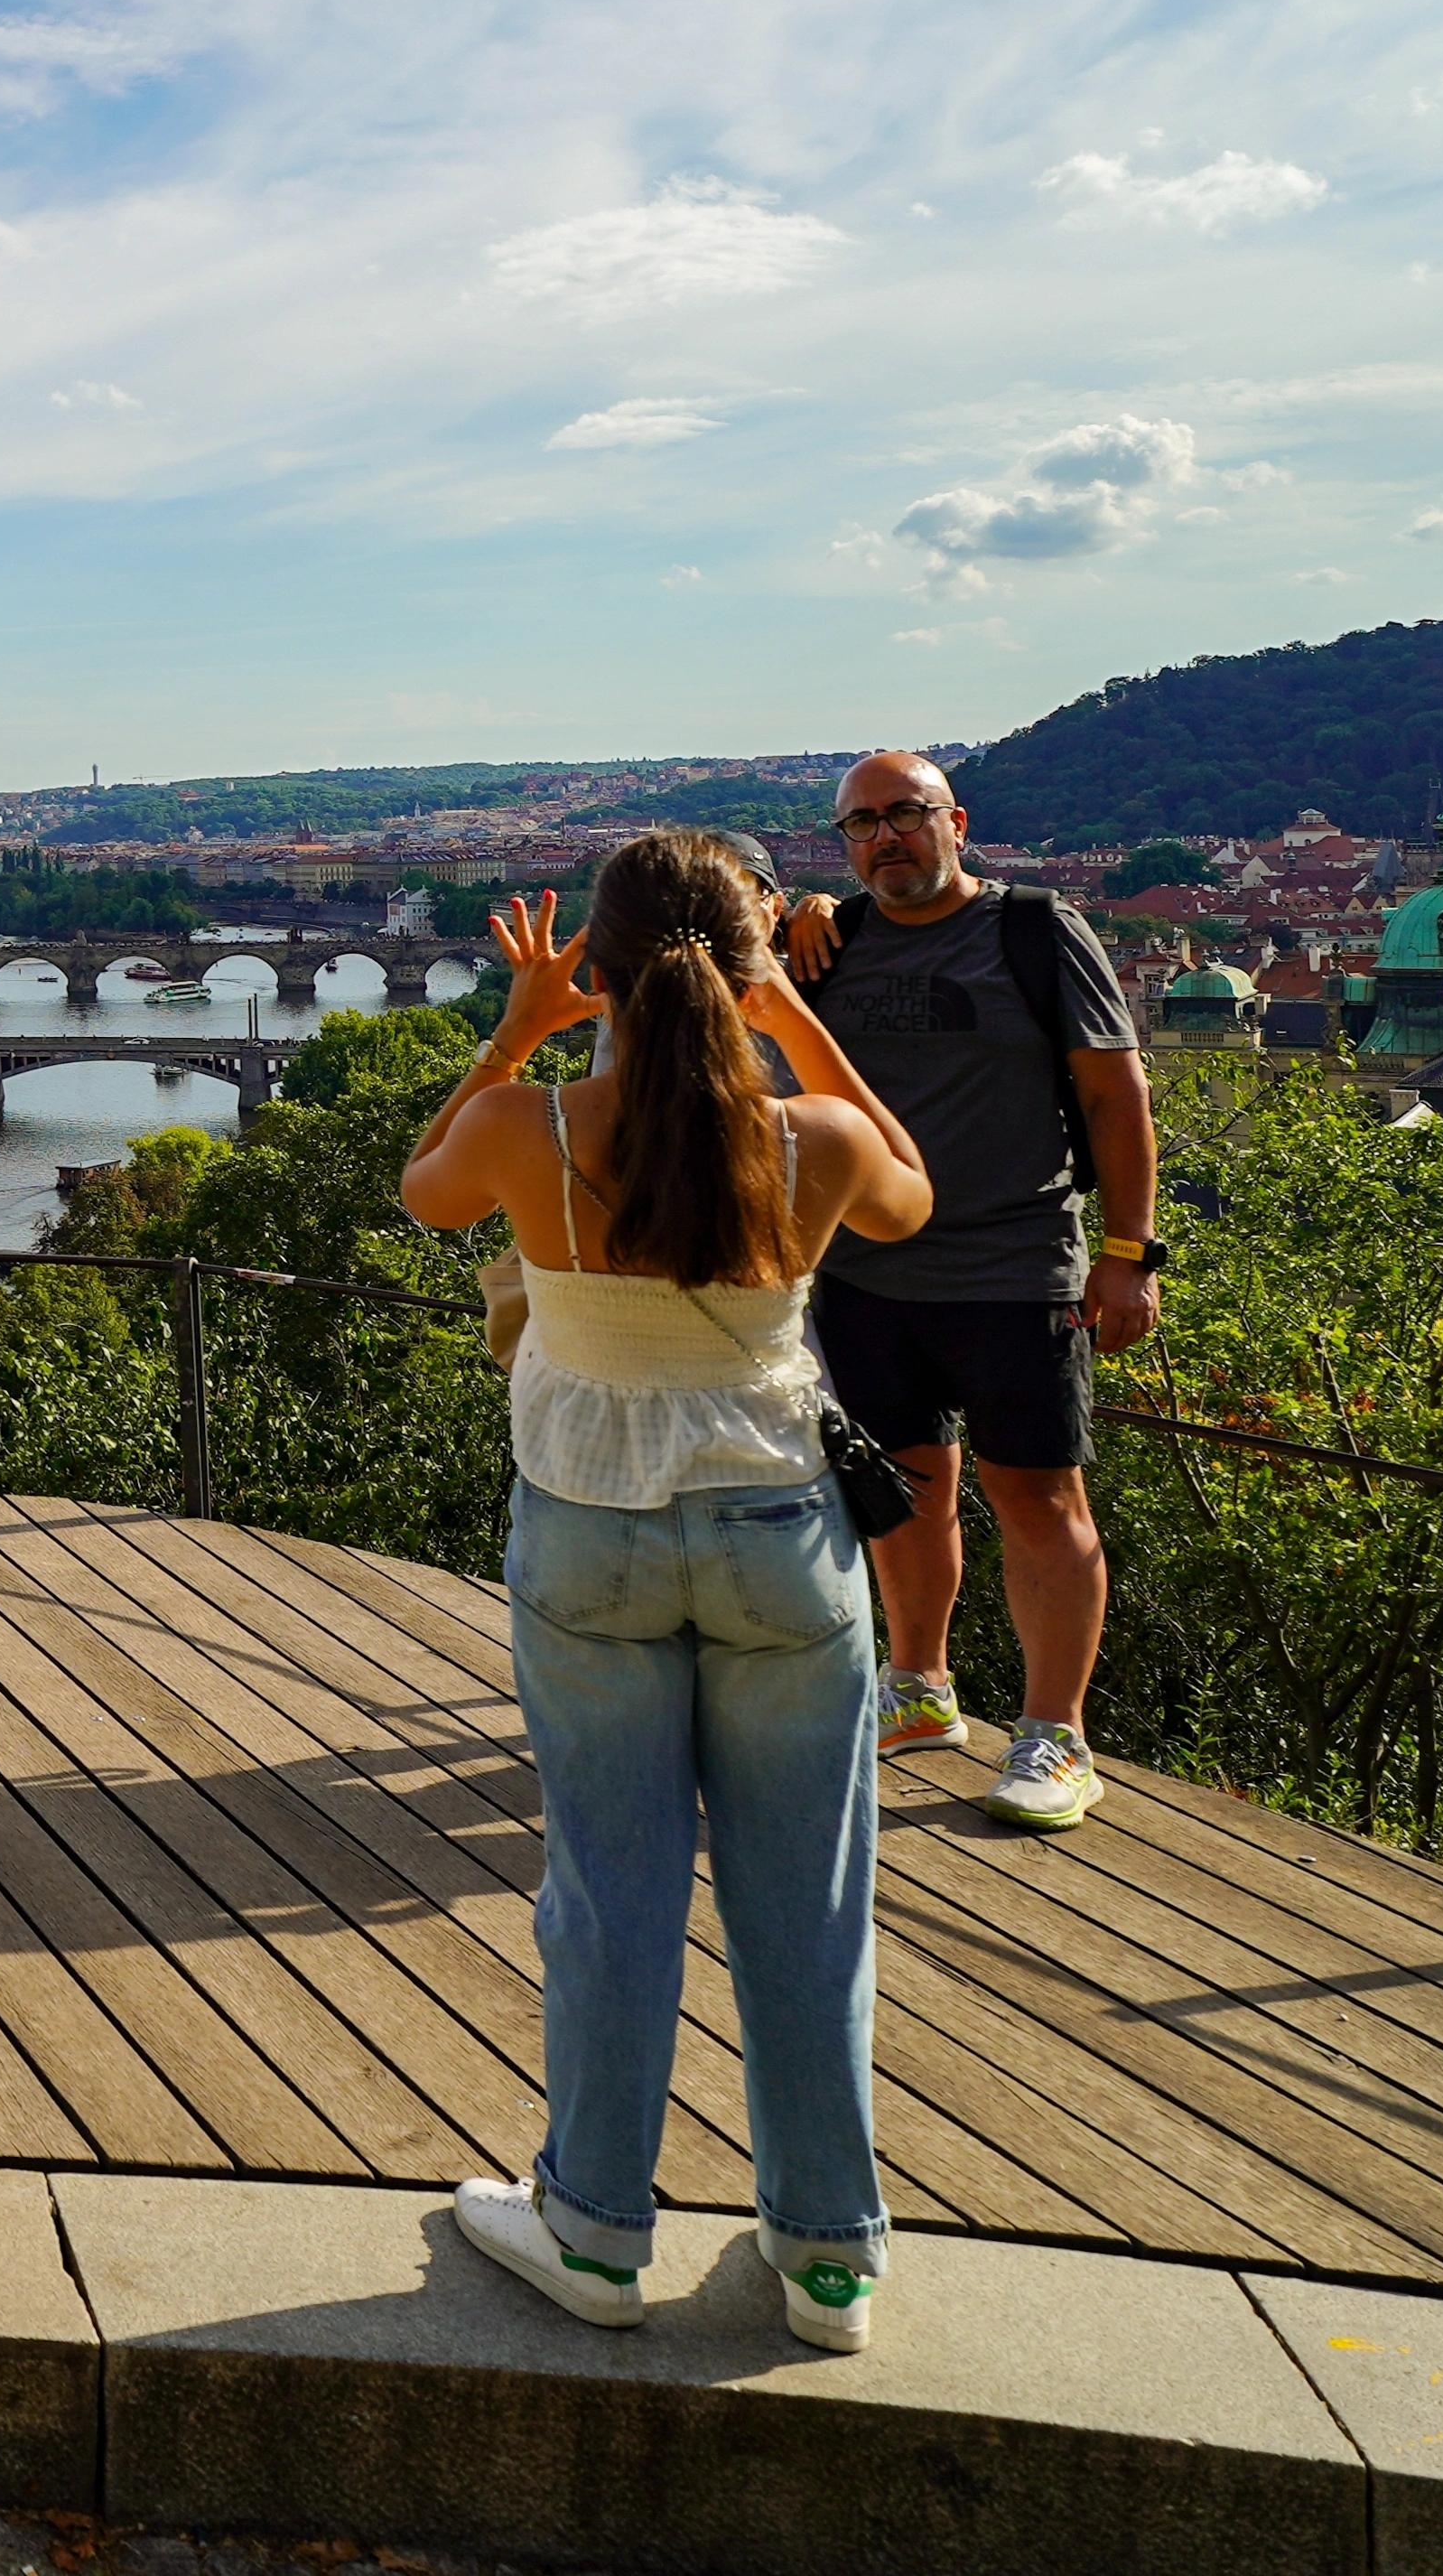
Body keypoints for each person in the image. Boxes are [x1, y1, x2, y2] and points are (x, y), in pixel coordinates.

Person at [400, 834, 934, 2355]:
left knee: (608, 1891)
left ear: (603, 968)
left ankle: (592, 2227)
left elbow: (425, 1192)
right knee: (810, 1904)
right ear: (747, 961)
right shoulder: (811, 1139)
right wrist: (797, 1024)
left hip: (587, 1531)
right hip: (781, 1533)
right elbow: (912, 1196)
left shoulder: (529, 1127)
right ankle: (831, 2258)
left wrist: (512, 1028)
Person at [775, 751, 1159, 1831]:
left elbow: (1115, 1091)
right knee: (904, 1488)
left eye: (906, 814)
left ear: (956, 821)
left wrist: (1131, 1251)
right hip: (860, 1271)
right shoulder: (826, 941)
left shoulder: (1033, 929)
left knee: (1040, 1496)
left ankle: (1055, 1734)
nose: (885, 837)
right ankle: (919, 1685)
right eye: (861, 824)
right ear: (842, 843)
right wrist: (788, 908)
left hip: (1015, 1260)